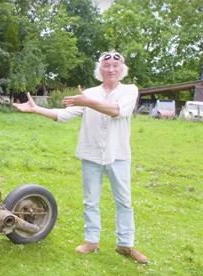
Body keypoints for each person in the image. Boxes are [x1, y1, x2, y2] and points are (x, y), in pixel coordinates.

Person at [12, 50, 148, 264]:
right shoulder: (91, 93)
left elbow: (116, 111)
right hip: (91, 154)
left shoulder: (129, 90)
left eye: (115, 65)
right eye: (106, 65)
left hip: (118, 155)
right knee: (90, 200)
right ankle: (91, 241)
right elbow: (64, 115)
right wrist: (36, 109)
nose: (111, 69)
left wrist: (86, 102)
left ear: (122, 69)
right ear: (100, 70)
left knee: (124, 201)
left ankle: (125, 244)